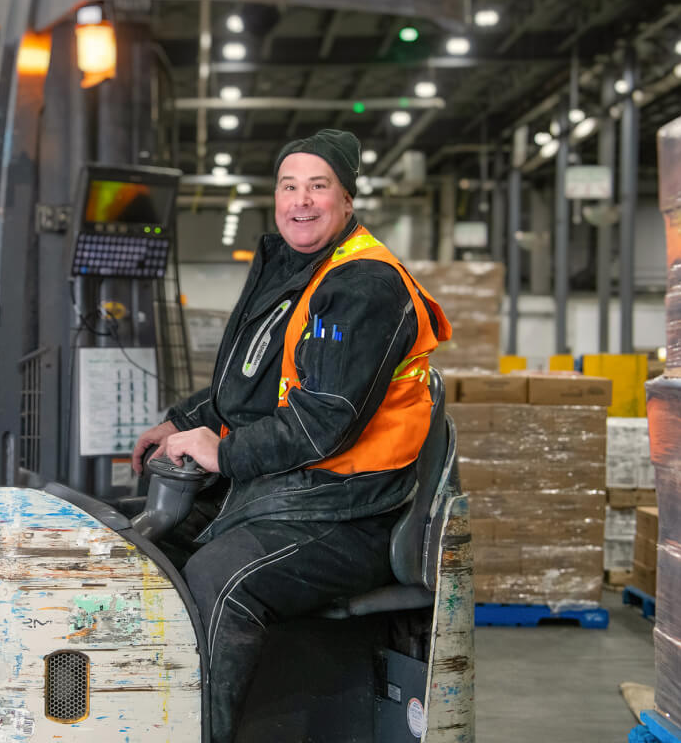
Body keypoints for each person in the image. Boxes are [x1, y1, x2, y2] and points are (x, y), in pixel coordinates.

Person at [131, 128, 452, 742]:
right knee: (147, 547)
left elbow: (321, 420)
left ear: (347, 199)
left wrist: (222, 452)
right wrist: (183, 420)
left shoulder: (363, 285)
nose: (300, 201)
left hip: (350, 511)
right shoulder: (297, 269)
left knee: (220, 579)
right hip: (294, 492)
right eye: (288, 186)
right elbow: (253, 386)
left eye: (318, 186)